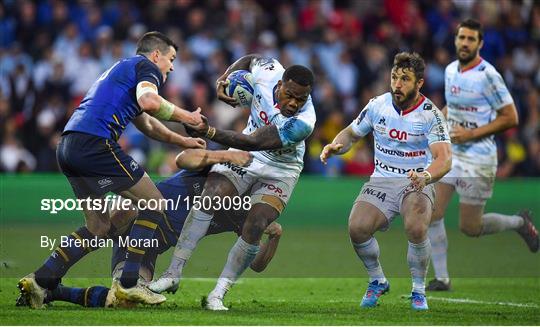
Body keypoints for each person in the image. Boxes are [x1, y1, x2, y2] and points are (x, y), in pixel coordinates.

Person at [18, 31, 206, 308]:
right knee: (155, 203)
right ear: (156, 55)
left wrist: (183, 140)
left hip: (69, 146)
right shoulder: (147, 68)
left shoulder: (123, 70)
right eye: (171, 58)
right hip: (96, 144)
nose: (172, 66)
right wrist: (188, 116)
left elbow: (149, 124)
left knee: (98, 227)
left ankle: (40, 281)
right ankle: (129, 283)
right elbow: (150, 103)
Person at [149, 55, 316, 311]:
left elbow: (254, 143)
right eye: (290, 95)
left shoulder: (304, 122)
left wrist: (208, 132)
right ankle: (172, 274)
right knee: (211, 194)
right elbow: (251, 59)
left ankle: (217, 294)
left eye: (301, 99)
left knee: (257, 223)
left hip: (281, 168)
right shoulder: (268, 70)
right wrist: (224, 78)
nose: (293, 103)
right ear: (280, 83)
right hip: (247, 156)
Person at [16, 148, 283, 308]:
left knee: (124, 303)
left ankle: (54, 291)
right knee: (114, 219)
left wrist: (274, 239)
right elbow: (184, 157)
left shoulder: (243, 214)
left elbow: (256, 264)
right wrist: (223, 154)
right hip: (139, 211)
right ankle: (44, 276)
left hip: (146, 248)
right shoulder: (222, 170)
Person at [320, 52, 451, 310]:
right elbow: (351, 132)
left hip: (417, 181)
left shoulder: (431, 115)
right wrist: (336, 145)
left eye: (405, 79)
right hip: (382, 179)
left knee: (415, 227)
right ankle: (377, 280)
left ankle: (418, 290)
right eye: (394, 77)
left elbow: (444, 159)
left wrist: (425, 176)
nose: (397, 84)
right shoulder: (377, 105)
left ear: (419, 83)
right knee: (357, 228)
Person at [426, 19, 539, 292]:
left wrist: (471, 135)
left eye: (470, 39)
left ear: (480, 44)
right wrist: (436, 124)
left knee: (470, 227)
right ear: (455, 40)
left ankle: (519, 222)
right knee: (432, 213)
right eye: (461, 37)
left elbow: (511, 117)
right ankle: (442, 278)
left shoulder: (489, 75)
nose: (465, 43)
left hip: (479, 158)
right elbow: (452, 108)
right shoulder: (451, 70)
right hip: (453, 155)